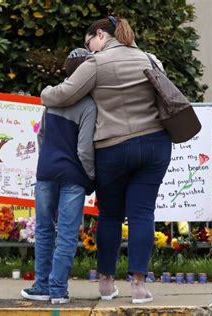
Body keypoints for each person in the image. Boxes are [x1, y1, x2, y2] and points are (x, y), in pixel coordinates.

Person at [40, 16, 171, 304]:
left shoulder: (96, 64)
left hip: (113, 148)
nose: (90, 49)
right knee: (142, 214)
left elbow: (64, 94)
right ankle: (138, 287)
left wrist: (44, 93)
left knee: (110, 214)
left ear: (100, 34)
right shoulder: (149, 58)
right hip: (154, 145)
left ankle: (106, 283)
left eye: (89, 43)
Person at [21, 48, 97, 304]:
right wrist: (90, 177)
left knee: (44, 229)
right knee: (65, 233)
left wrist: (46, 160)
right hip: (73, 175)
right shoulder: (88, 105)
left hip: (46, 172)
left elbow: (41, 135)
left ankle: (41, 285)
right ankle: (58, 289)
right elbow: (85, 149)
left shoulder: (51, 99)